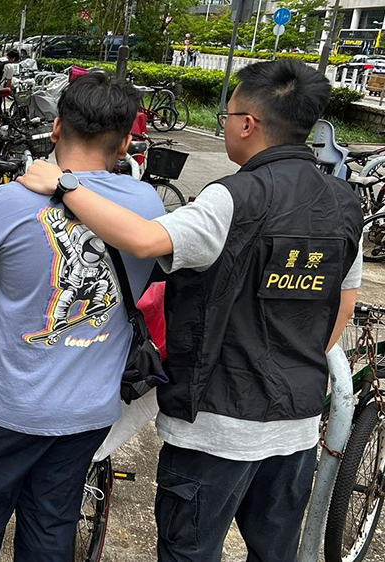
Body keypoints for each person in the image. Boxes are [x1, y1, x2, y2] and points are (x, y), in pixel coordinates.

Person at [19, 59, 363, 562]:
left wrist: (65, 185)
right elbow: (342, 307)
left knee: (190, 552)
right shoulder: (343, 201)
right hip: (295, 427)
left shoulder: (232, 199)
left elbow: (144, 240)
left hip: (215, 428)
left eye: (228, 114)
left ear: (248, 124)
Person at [0, 72, 165, 561]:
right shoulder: (147, 207)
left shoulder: (11, 202)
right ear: (124, 143)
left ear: (56, 128)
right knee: (51, 529)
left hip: (2, 410)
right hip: (87, 415)